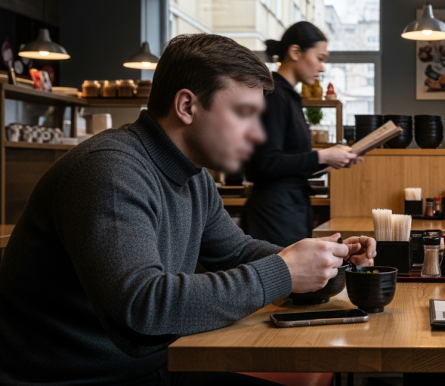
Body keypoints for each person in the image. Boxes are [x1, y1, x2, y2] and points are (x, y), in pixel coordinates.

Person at [0, 33, 376, 386]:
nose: (257, 135)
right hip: (80, 380)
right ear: (186, 106)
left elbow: (235, 252)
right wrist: (283, 271)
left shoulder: (192, 175)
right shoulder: (109, 170)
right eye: (243, 113)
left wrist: (326, 262)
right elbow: (142, 309)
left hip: (156, 366)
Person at [243, 22, 360, 247]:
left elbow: (291, 163)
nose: (322, 67)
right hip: (274, 216)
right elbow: (265, 162)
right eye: (320, 58)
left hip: (288, 211)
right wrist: (323, 156)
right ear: (295, 52)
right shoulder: (274, 95)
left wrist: (334, 160)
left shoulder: (290, 97)